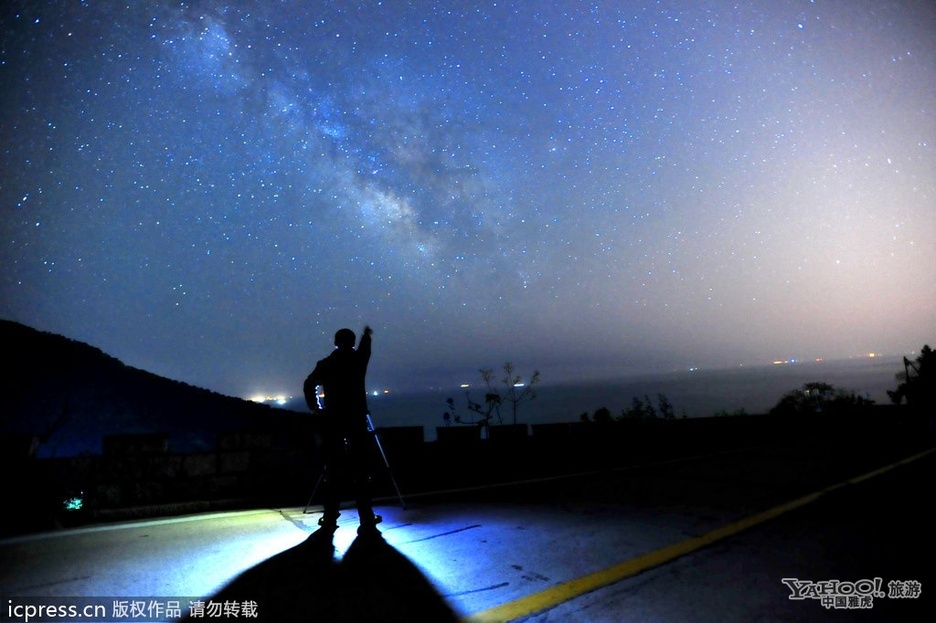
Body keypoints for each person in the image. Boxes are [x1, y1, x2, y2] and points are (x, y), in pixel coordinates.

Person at [303, 326, 382, 536]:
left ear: (335, 342)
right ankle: (366, 516)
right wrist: (367, 336)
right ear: (352, 342)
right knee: (361, 470)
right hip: (356, 419)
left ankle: (330, 516)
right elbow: (366, 350)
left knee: (333, 468)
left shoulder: (326, 364)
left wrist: (316, 407)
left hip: (333, 421)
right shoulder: (358, 361)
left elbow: (309, 383)